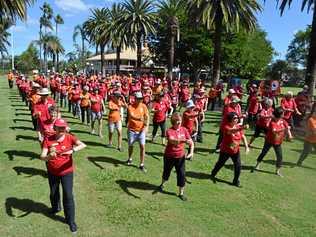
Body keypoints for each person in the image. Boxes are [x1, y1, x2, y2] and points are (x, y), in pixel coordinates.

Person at [40, 118, 86, 234]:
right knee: (54, 192)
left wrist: (72, 151)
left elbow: (82, 145)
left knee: (68, 195)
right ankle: (55, 208)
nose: (62, 130)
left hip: (67, 172)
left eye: (63, 128)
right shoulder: (48, 139)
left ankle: (71, 221)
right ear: (54, 128)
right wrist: (50, 157)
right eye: (59, 128)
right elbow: (42, 156)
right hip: (52, 172)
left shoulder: (70, 137)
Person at [158, 113, 194, 201]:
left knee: (181, 174)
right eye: (178, 121)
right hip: (169, 156)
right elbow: (172, 141)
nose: (179, 123)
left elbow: (191, 142)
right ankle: (162, 184)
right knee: (166, 171)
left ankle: (181, 193)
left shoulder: (184, 130)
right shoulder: (169, 131)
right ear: (173, 122)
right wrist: (184, 140)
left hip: (180, 157)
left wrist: (191, 152)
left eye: (180, 121)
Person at [210, 112, 249, 187]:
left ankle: (235, 181)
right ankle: (213, 173)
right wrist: (242, 128)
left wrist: (246, 147)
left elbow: (243, 137)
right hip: (225, 150)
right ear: (230, 119)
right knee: (220, 163)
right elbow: (231, 131)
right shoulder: (226, 127)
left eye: (237, 118)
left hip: (235, 151)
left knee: (238, 165)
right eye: (234, 118)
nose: (236, 119)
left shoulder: (238, 126)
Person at [252, 107, 293, 177]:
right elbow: (274, 132)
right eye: (283, 113)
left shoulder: (283, 121)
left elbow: (287, 127)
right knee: (264, 152)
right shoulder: (272, 122)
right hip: (269, 141)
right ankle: (257, 165)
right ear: (279, 115)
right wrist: (283, 129)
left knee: (279, 156)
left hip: (278, 142)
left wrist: (290, 135)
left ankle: (277, 171)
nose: (284, 114)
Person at [126, 92, 149, 171]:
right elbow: (132, 116)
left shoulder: (144, 106)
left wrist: (146, 127)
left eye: (141, 99)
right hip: (132, 130)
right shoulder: (130, 107)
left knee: (142, 146)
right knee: (131, 145)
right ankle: (130, 158)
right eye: (138, 99)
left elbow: (147, 116)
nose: (140, 100)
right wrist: (139, 119)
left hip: (141, 130)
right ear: (135, 99)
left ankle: (142, 164)